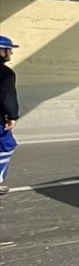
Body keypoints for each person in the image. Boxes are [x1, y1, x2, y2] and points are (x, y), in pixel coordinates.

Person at [0, 36, 19, 196]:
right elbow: (8, 97)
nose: (10, 53)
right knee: (6, 146)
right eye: (9, 50)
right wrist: (12, 116)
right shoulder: (5, 74)